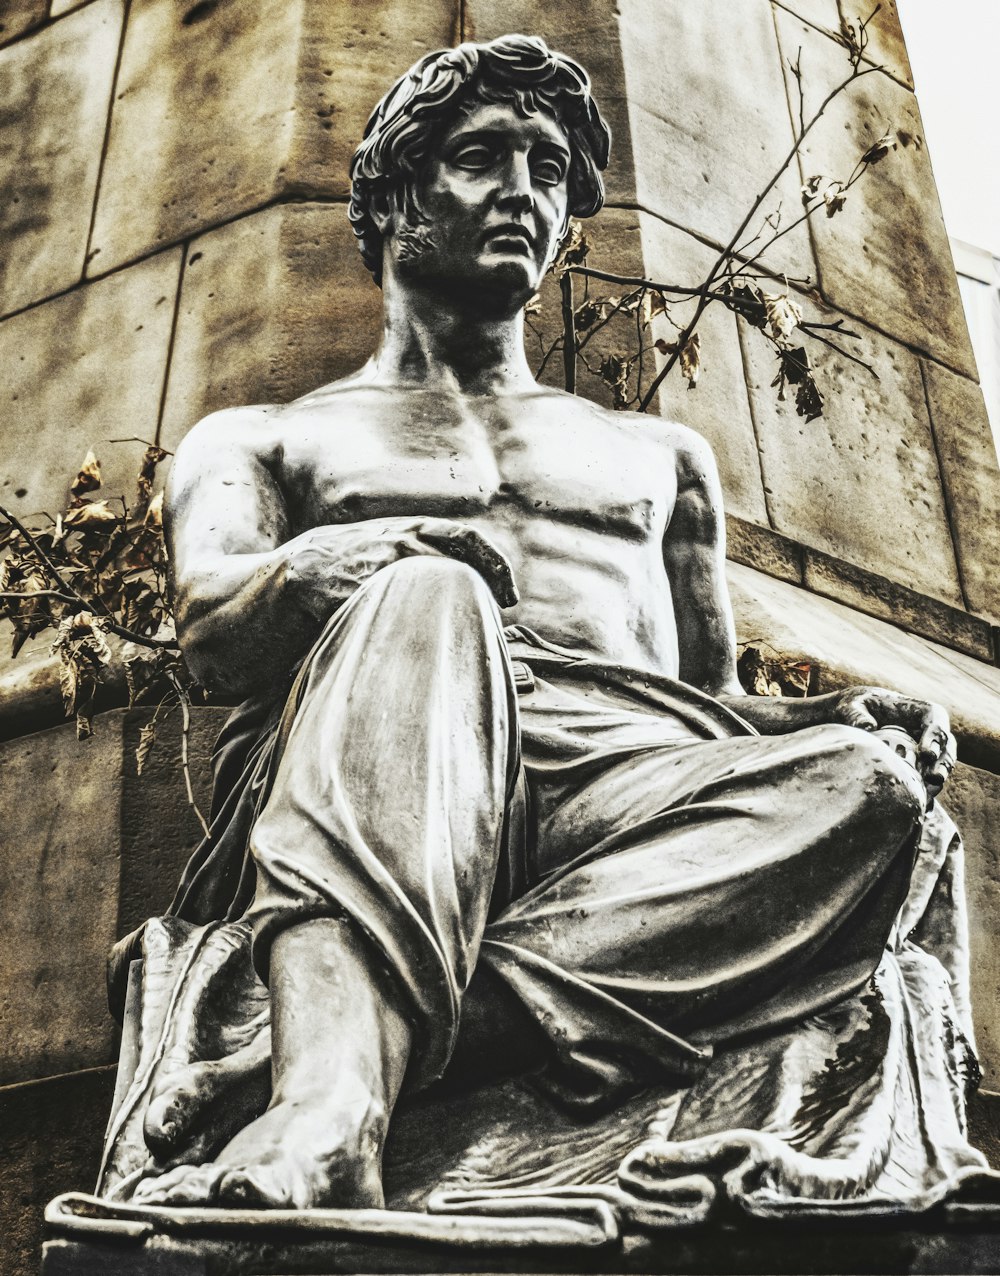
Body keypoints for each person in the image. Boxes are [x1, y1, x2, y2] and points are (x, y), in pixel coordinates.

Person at [121, 35, 966, 1213]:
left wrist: (831, 711)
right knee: (428, 589)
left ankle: (367, 1035)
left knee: (871, 785)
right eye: (482, 158)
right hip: (381, 755)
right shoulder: (261, 439)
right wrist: (340, 564)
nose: (526, 190)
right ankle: (328, 1114)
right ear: (395, 200)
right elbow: (212, 630)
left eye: (551, 169)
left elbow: (711, 704)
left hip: (624, 780)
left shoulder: (658, 454)